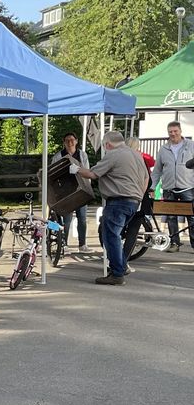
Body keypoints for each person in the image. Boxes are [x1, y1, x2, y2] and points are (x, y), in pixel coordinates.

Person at [72, 130, 148, 284]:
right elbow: (146, 177)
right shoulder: (135, 154)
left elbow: (93, 174)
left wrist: (77, 169)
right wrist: (139, 195)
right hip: (133, 201)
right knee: (115, 235)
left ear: (107, 144)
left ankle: (117, 274)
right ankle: (122, 266)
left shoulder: (114, 154)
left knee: (111, 236)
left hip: (118, 201)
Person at [149, 121, 194, 250]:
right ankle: (175, 243)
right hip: (169, 187)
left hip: (188, 187)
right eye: (170, 132)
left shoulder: (191, 145)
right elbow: (157, 170)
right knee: (170, 216)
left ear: (180, 131)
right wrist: (152, 187)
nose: (173, 134)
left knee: (191, 217)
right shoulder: (163, 149)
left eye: (175, 131)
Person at [122, 138, 155, 265]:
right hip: (139, 200)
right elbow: (149, 181)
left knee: (119, 230)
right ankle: (124, 260)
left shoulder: (121, 159)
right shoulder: (141, 159)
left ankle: (116, 260)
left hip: (122, 198)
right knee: (133, 232)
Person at [55, 131, 88, 255]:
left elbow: (87, 170)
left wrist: (78, 170)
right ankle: (64, 244)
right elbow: (54, 172)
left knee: (82, 218)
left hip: (81, 189)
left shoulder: (82, 155)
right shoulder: (59, 155)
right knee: (67, 219)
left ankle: (82, 244)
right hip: (66, 191)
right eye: (67, 140)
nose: (70, 142)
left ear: (76, 141)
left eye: (72, 140)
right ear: (64, 142)